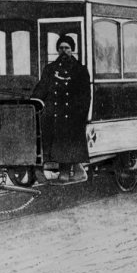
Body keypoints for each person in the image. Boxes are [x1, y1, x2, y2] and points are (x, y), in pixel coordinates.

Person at [31, 35, 91, 185]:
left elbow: (85, 96)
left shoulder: (80, 70)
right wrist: (34, 102)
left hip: (72, 115)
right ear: (58, 50)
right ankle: (42, 169)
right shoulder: (50, 69)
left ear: (72, 50)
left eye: (67, 48)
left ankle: (66, 171)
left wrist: (81, 115)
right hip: (53, 114)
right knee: (45, 140)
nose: (64, 51)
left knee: (66, 141)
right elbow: (42, 89)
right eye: (61, 48)